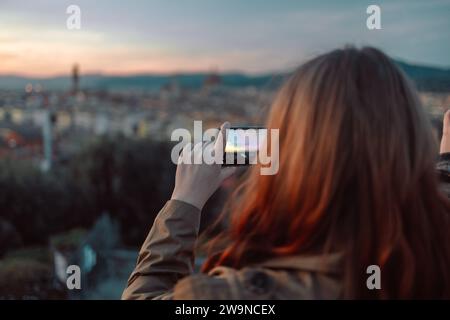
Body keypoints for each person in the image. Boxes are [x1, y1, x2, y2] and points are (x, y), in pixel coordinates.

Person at [122, 47, 450, 300]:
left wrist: (185, 201)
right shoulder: (433, 251)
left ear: (297, 162)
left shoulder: (248, 295)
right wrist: (445, 163)